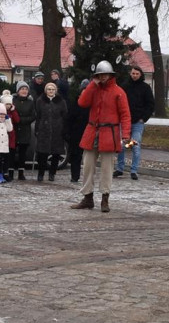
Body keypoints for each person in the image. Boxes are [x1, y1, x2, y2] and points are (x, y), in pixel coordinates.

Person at [72, 61, 130, 213]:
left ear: (110, 75)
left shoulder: (119, 92)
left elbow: (125, 115)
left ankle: (105, 198)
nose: (103, 77)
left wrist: (126, 135)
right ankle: (88, 198)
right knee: (88, 167)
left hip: (109, 134)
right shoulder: (93, 89)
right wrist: (92, 85)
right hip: (92, 132)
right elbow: (82, 102)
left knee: (106, 169)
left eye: (105, 74)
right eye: (100, 75)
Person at [115, 66, 154, 181]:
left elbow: (150, 104)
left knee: (135, 146)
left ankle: (134, 170)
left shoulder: (146, 88)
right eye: (133, 73)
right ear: (130, 74)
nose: (135, 75)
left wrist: (144, 118)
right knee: (122, 146)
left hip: (138, 122)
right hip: (125, 121)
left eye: (137, 73)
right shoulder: (125, 86)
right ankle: (120, 168)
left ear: (140, 74)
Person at [34, 82, 67, 181]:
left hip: (57, 130)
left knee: (56, 154)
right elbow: (38, 116)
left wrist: (64, 129)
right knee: (42, 154)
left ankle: (52, 173)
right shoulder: (40, 100)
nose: (51, 91)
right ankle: (41, 174)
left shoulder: (61, 101)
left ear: (55, 90)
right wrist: (37, 129)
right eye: (49, 89)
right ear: (45, 91)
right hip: (44, 129)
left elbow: (65, 115)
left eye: (52, 89)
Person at [65, 79, 90, 184]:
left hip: (89, 133)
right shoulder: (74, 103)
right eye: (84, 90)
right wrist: (67, 133)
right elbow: (68, 119)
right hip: (76, 134)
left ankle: (88, 177)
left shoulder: (92, 104)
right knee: (76, 156)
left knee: (89, 157)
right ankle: (75, 176)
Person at [10, 81, 36, 181]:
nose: (24, 91)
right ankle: (11, 172)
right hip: (14, 130)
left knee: (22, 153)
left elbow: (33, 116)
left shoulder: (30, 102)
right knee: (12, 152)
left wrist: (22, 120)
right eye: (22, 89)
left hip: (25, 129)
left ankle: (21, 173)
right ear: (18, 91)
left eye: (26, 89)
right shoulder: (13, 100)